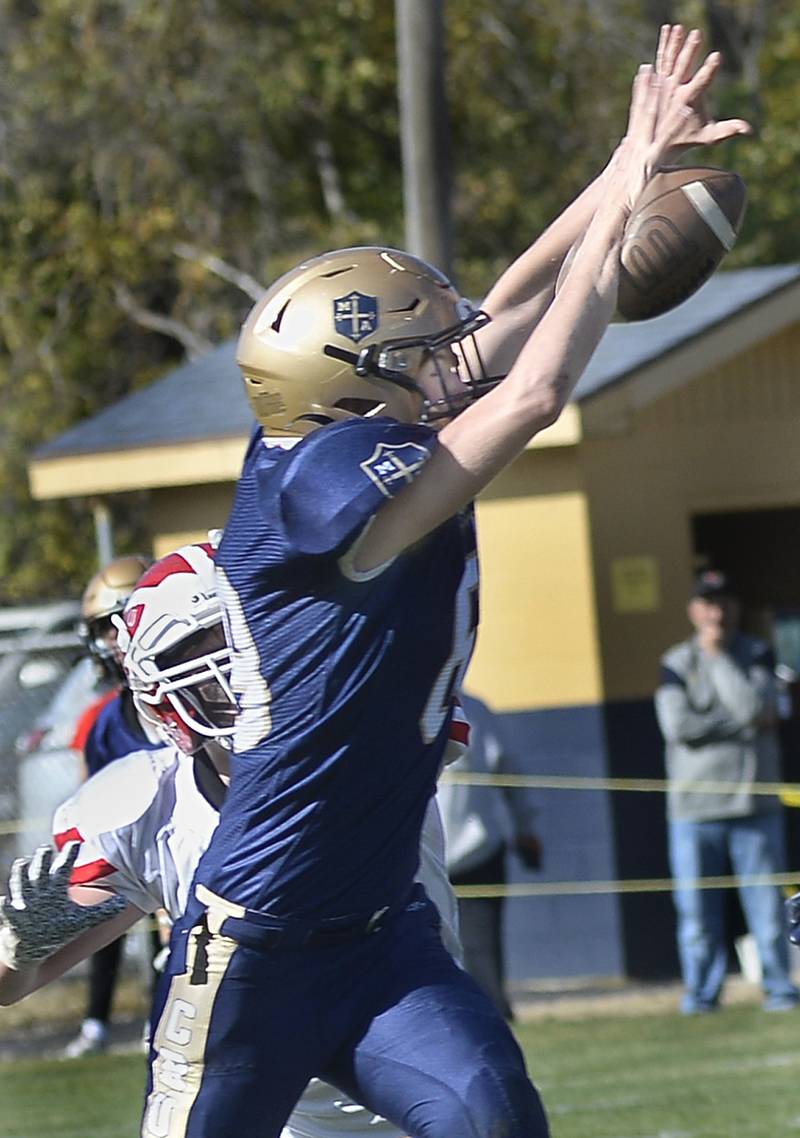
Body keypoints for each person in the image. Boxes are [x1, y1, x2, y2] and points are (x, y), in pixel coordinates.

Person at [136, 26, 750, 1138]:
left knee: (499, 1122)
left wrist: (629, 161)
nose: (447, 356)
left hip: (380, 933)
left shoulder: (350, 431)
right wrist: (614, 234)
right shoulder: (321, 496)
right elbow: (532, 389)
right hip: (253, 946)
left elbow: (504, 306)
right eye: (417, 351)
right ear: (355, 382)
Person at [0, 543, 465, 1138]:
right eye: (203, 650)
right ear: (160, 697)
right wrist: (20, 944)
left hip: (415, 1082)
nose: (237, 670)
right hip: (262, 1112)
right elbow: (14, 984)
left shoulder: (372, 734)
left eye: (246, 636)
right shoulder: (145, 807)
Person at [654, 568, 799, 1014]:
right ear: (693, 610)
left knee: (767, 912)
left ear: (734, 608)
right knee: (697, 915)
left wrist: (718, 660)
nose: (716, 611)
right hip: (694, 809)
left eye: (723, 602)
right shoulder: (675, 663)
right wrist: (741, 727)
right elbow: (679, 728)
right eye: (707, 602)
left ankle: (780, 989)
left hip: (753, 802)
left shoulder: (755, 653)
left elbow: (755, 706)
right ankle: (701, 995)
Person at [65, 553, 163, 1058]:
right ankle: (98, 1024)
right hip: (139, 859)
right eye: (105, 629)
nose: (114, 642)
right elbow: (90, 811)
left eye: (118, 625)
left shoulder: (217, 695)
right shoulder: (103, 722)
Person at [439, 692, 541, 1019]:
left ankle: (490, 1016)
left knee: (479, 949)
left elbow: (507, 771)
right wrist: (525, 827)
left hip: (471, 853)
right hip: (438, 854)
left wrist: (526, 829)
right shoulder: (474, 709)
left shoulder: (475, 710)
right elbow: (509, 771)